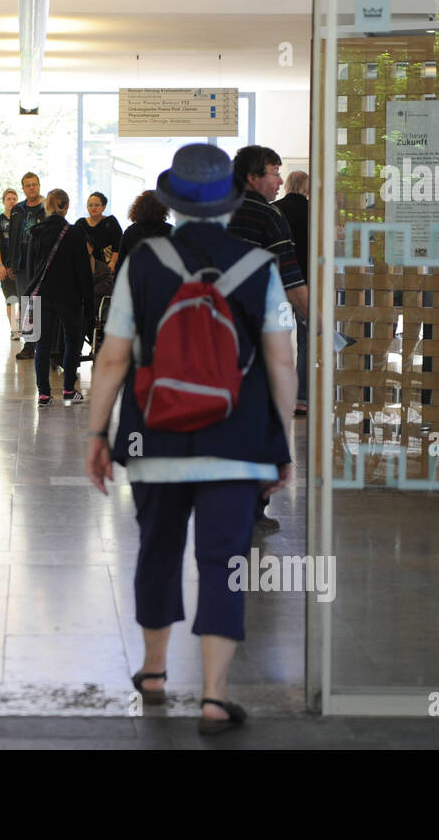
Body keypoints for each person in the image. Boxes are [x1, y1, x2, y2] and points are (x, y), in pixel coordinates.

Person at [84, 144, 295, 735]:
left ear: (173, 204)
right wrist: (282, 449)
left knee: (157, 550)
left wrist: (98, 433)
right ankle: (213, 697)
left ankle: (153, 672)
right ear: (232, 201)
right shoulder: (260, 266)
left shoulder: (143, 262)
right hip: (237, 442)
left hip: (155, 436)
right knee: (225, 562)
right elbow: (281, 363)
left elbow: (113, 358)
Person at [227, 145, 307, 535]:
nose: (279, 180)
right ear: (252, 177)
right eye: (274, 172)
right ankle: (254, 506)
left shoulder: (211, 215)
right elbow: (293, 284)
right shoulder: (267, 216)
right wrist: (322, 324)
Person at [23, 188, 92, 407]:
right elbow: (83, 270)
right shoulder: (74, 233)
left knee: (42, 344)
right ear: (66, 206)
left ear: (47, 206)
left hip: (42, 295)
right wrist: (88, 301)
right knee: (72, 341)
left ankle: (44, 394)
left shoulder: (36, 232)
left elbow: (31, 268)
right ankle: (69, 389)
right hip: (68, 297)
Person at [277, 171, 310, 415]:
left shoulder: (273, 210)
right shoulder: (314, 212)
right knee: (305, 342)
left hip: (277, 286)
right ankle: (301, 398)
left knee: (278, 340)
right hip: (306, 284)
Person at [8, 171, 47, 360]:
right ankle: (30, 344)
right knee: (26, 304)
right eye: (28, 185)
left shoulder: (47, 207)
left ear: (39, 186)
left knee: (39, 302)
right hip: (22, 264)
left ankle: (44, 344)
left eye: (35, 184)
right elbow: (13, 239)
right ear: (23, 188)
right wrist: (10, 263)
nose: (32, 188)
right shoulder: (17, 210)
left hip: (41, 263)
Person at [112, 189, 171, 277]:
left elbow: (121, 264)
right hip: (163, 282)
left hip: (135, 282)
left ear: (138, 208)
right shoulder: (170, 231)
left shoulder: (130, 231)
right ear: (163, 208)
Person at [0, 188, 20, 339]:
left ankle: (21, 326)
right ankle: (13, 329)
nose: (11, 201)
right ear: (3, 201)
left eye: (14, 198)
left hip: (20, 266)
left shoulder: (22, 219)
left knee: (23, 298)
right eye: (8, 198)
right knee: (10, 298)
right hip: (5, 265)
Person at [79, 191, 123, 268]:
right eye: (90, 205)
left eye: (96, 205)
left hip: (107, 267)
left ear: (103, 207)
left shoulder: (111, 222)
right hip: (85, 266)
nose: (93, 208)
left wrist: (112, 263)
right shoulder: (81, 223)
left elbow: (118, 244)